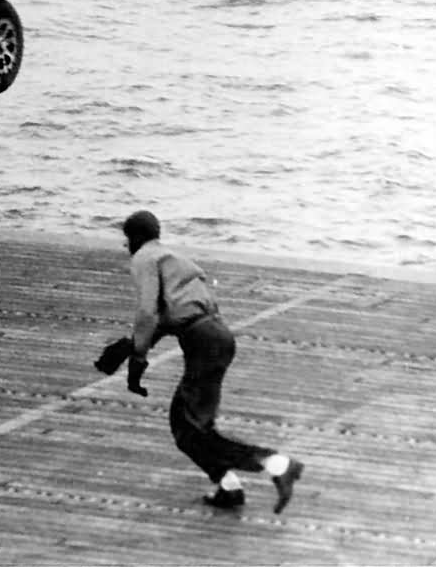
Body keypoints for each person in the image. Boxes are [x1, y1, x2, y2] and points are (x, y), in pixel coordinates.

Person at [108, 209, 304, 513]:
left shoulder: (144, 259)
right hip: (218, 337)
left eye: (127, 240)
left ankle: (277, 464)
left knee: (190, 429)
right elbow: (173, 315)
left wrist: (138, 358)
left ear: (133, 238)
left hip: (202, 343)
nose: (127, 247)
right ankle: (229, 488)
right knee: (194, 428)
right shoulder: (175, 260)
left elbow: (148, 313)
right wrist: (134, 349)